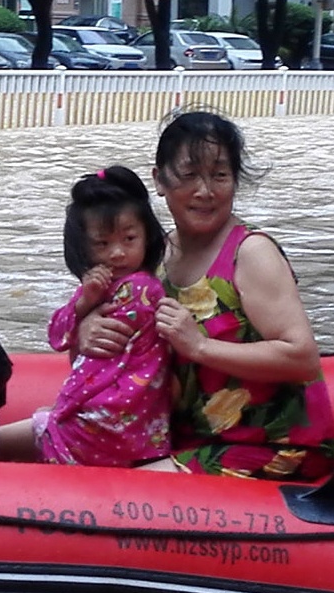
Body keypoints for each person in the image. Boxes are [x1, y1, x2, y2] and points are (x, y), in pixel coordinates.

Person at [77, 110, 334, 479]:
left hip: (269, 446)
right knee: (40, 432)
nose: (205, 190)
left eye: (219, 175)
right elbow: (106, 355)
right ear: (159, 180)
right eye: (190, 174)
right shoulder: (154, 256)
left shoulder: (251, 253)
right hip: (178, 436)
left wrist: (199, 346)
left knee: (118, 487)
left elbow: (302, 358)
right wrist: (87, 325)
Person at [0, 166, 172, 466]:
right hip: (132, 428)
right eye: (102, 243)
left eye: (129, 239)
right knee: (24, 431)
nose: (117, 253)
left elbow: (90, 360)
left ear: (147, 237)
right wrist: (84, 303)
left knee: (4, 442)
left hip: (111, 424)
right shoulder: (100, 287)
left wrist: (61, 410)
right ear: (84, 248)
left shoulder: (141, 289)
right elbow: (57, 335)